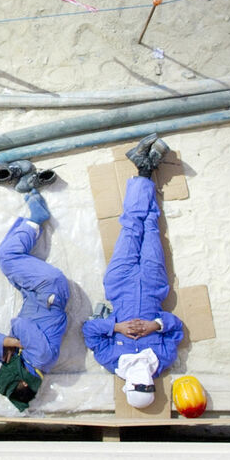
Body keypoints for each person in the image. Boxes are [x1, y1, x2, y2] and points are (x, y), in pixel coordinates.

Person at [82, 134, 184, 409]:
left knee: (131, 227)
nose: (142, 380)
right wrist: (155, 325)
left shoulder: (111, 359)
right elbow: (177, 329)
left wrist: (115, 327)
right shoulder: (161, 360)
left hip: (119, 284)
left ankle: (144, 168)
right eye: (147, 385)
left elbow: (90, 331)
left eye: (137, 386)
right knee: (151, 228)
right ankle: (145, 168)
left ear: (128, 385)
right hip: (153, 287)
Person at [0, 188, 71, 411]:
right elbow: (20, 324)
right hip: (49, 289)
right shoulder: (40, 358)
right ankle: (36, 219)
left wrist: (6, 345)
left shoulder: (25, 360)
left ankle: (34, 198)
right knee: (6, 258)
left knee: (5, 262)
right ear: (23, 381)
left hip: (34, 294)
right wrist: (13, 341)